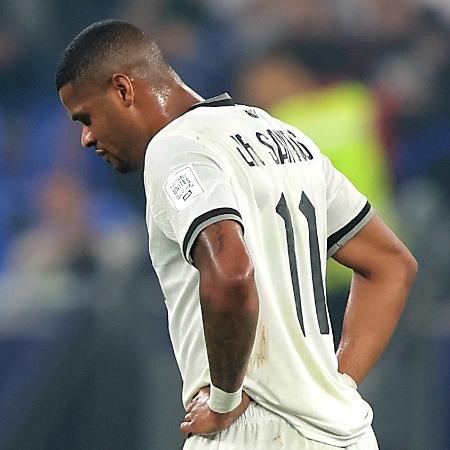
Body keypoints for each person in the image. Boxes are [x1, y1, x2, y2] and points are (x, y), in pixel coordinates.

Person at [56, 20, 418, 450]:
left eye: (87, 117)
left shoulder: (175, 148)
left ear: (123, 89)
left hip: (252, 429)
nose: (86, 138)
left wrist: (225, 400)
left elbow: (230, 273)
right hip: (346, 433)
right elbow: (392, 264)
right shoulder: (282, 133)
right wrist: (334, 385)